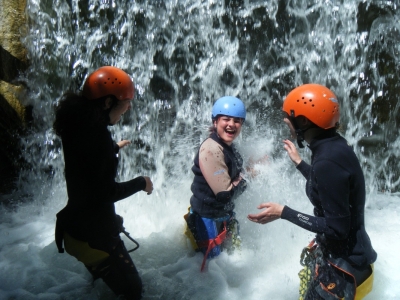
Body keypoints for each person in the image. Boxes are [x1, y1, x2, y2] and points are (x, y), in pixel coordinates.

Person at [248, 84, 377, 300]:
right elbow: (329, 187)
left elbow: (337, 229)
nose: (285, 121)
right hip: (352, 261)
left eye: (289, 116)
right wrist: (300, 164)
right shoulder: (332, 146)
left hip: (344, 272)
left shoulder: (327, 159)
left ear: (304, 121)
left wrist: (284, 212)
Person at [53, 66, 153, 299]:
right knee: (133, 293)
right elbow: (105, 192)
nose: (129, 107)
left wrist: (114, 148)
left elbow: (84, 168)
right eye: (126, 101)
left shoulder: (76, 125)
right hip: (95, 237)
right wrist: (141, 182)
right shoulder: (97, 137)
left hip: (75, 229)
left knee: (104, 287)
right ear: (107, 102)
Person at [184, 96, 248, 271]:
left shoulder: (228, 146)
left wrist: (251, 170)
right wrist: (248, 175)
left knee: (233, 264)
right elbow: (224, 194)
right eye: (226, 119)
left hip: (223, 216)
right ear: (216, 121)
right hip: (206, 220)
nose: (231, 124)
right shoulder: (211, 149)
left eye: (237, 120)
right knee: (214, 271)